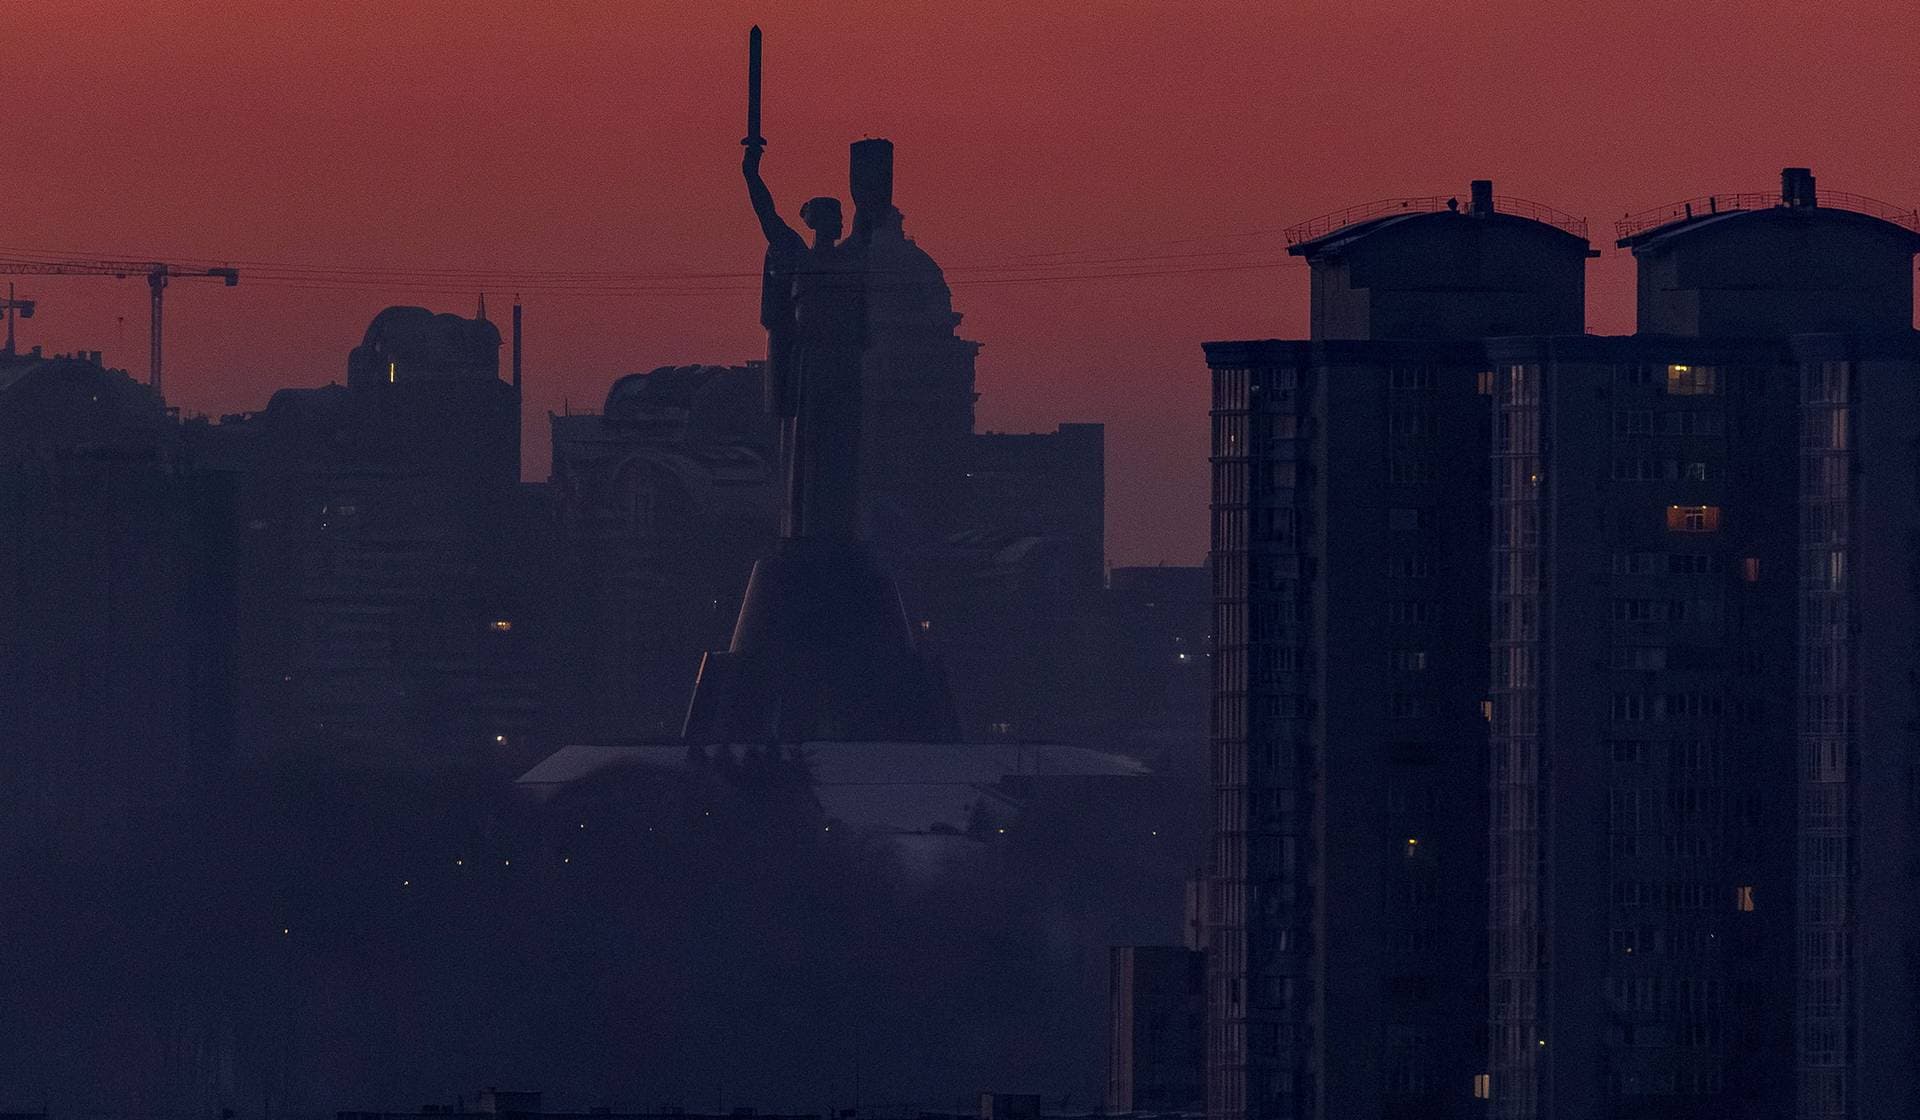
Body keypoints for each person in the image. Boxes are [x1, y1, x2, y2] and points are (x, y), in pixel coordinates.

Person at [742, 143, 870, 541]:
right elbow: (767, 214)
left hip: (839, 365)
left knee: (838, 446)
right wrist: (751, 172)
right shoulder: (796, 255)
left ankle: (832, 522)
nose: (838, 224)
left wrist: (871, 173)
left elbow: (869, 217)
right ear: (818, 223)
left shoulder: (849, 259)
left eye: (840, 218)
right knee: (807, 444)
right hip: (808, 364)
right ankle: (804, 522)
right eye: (832, 217)